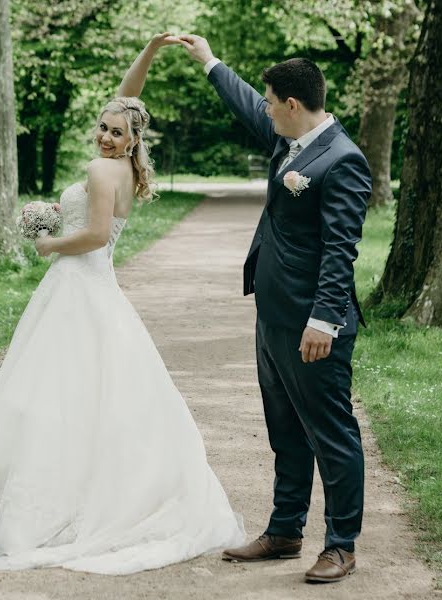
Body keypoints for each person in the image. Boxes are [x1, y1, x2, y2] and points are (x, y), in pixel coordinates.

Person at [0, 34, 245, 575]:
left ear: (129, 141)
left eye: (115, 132)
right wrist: (149, 51)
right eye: (102, 126)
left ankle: (48, 508)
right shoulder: (125, 168)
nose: (104, 135)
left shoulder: (103, 171)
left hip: (79, 281)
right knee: (83, 392)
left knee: (52, 393)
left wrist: (50, 241)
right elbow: (127, 100)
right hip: (95, 288)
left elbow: (97, 234)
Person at [176, 34, 370, 583]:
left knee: (330, 432)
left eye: (270, 100)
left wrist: (323, 320)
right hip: (273, 315)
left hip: (313, 324)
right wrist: (211, 60)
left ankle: (341, 543)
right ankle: (285, 529)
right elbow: (244, 103)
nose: (263, 107)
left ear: (291, 104)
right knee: (284, 427)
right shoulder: (291, 141)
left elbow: (340, 250)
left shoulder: (342, 160)